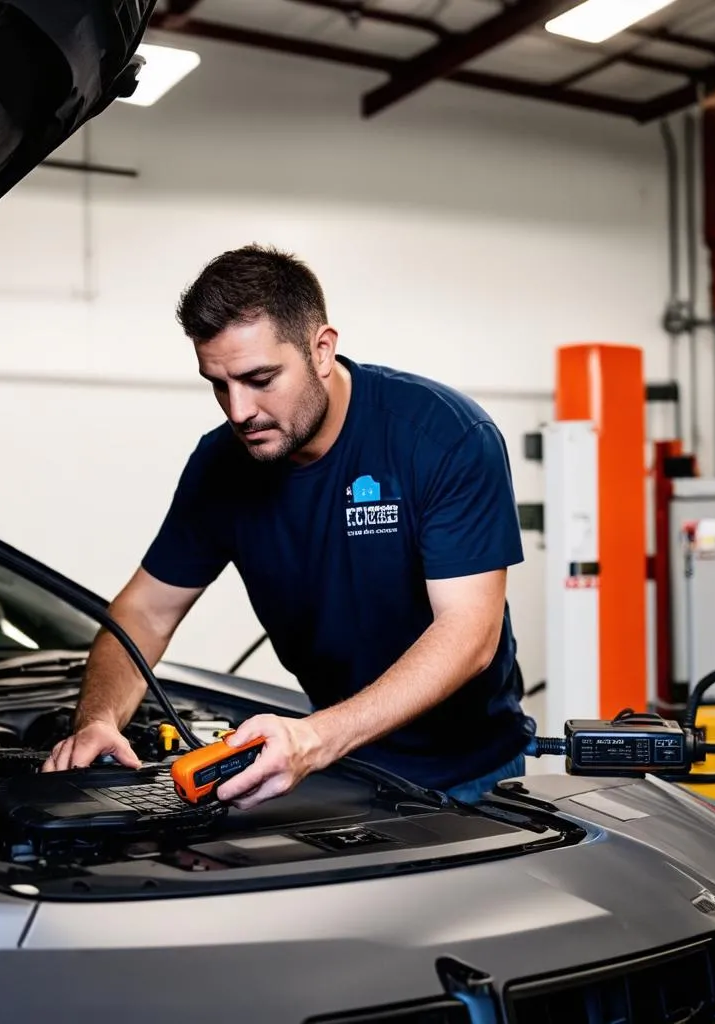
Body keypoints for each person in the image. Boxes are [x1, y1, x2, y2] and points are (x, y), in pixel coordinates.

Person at [42, 244, 537, 808]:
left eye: (259, 378)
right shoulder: (219, 466)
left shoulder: (442, 436)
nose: (238, 411)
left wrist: (313, 737)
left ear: (322, 350)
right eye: (218, 384)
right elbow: (144, 613)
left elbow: (469, 634)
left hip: (471, 777)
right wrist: (100, 718)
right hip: (338, 775)